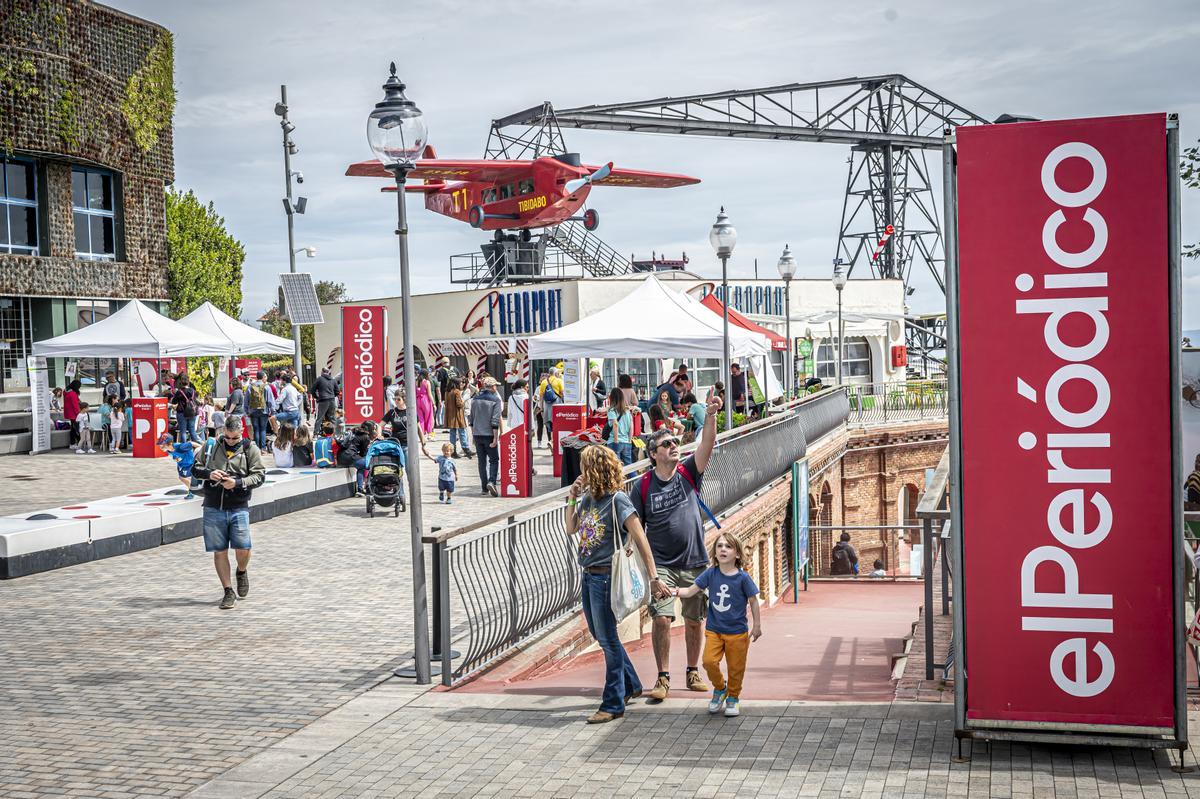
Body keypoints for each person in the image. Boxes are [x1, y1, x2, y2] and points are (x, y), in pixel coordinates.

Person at [632, 393, 723, 703]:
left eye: (675, 442)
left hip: (695, 561)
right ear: (653, 454)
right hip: (663, 567)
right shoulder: (642, 486)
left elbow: (706, 446)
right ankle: (662, 677)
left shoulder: (687, 473)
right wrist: (646, 567)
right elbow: (635, 529)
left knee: (695, 620)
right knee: (661, 618)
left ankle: (692, 670)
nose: (674, 446)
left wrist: (710, 417)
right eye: (667, 444)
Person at [565, 445, 660, 724]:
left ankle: (613, 702)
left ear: (594, 469)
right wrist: (572, 497)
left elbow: (641, 539)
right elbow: (571, 529)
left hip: (607, 576)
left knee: (607, 639)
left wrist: (653, 578)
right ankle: (630, 683)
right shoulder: (589, 499)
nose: (580, 473)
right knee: (601, 634)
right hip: (588, 574)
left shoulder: (618, 500)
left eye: (584, 467)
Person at [672, 531, 762, 718]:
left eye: (728, 546)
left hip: (737, 632)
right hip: (714, 630)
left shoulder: (743, 578)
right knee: (708, 662)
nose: (723, 549)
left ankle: (733, 698)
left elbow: (753, 600)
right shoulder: (710, 574)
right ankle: (720, 688)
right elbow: (690, 591)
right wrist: (671, 592)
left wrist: (757, 626)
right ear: (714, 552)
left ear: (737, 554)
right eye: (719, 546)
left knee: (736, 668)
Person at [191, 416, 267, 610]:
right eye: (228, 437)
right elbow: (195, 468)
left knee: (243, 547)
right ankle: (228, 591)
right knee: (220, 550)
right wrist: (210, 474)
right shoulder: (211, 446)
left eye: (234, 438)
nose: (231, 441)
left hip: (238, 505)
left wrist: (238, 483)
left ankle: (241, 571)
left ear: (241, 432)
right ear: (223, 432)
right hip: (213, 504)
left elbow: (259, 476)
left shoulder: (250, 449)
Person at [469, 376, 502, 496]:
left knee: (481, 462)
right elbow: (495, 420)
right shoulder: (495, 400)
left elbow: (471, 419)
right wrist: (495, 437)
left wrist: (473, 436)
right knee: (493, 460)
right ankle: (492, 481)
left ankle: (484, 487)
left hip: (477, 434)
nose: (496, 387)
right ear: (492, 387)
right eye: (495, 385)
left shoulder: (475, 399)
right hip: (489, 434)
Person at [158, 432, 201, 499]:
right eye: (160, 445)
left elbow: (191, 443)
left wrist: (203, 447)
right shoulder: (169, 450)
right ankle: (194, 488)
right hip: (182, 465)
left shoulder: (180, 447)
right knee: (184, 478)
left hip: (190, 464)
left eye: (162, 445)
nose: (160, 447)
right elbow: (177, 456)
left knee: (183, 478)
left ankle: (192, 491)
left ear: (169, 444)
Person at [444, 377, 472, 458]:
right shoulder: (457, 391)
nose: (460, 384)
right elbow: (459, 404)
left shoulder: (447, 392)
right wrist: (464, 401)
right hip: (457, 415)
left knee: (452, 433)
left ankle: (452, 451)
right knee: (462, 431)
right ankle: (466, 449)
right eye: (459, 383)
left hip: (450, 415)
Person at [606, 387, 634, 466]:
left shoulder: (612, 411)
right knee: (629, 467)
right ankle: (635, 478)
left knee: (615, 468)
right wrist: (629, 440)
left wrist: (616, 441)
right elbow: (631, 426)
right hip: (626, 442)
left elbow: (615, 424)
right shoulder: (627, 411)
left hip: (615, 442)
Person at [171, 374, 200, 444]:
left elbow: (174, 402)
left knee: (183, 431)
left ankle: (184, 448)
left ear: (181, 382)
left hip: (182, 413)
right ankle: (197, 446)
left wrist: (175, 395)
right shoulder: (192, 390)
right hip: (192, 412)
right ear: (188, 382)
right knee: (192, 431)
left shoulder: (179, 392)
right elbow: (195, 400)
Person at [247, 371, 270, 450]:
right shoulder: (266, 386)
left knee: (256, 429)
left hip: (253, 411)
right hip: (264, 410)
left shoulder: (250, 386)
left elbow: (246, 400)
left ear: (256, 377)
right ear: (263, 377)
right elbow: (270, 400)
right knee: (263, 429)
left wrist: (247, 411)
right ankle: (263, 448)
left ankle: (257, 448)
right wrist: (271, 410)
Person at [415, 371, 435, 436]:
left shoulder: (416, 382)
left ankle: (422, 432)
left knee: (420, 418)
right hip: (425, 400)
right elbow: (429, 394)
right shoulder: (427, 382)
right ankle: (430, 433)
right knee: (429, 417)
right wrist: (434, 403)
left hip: (417, 400)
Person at [64, 379, 81, 448]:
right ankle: (73, 443)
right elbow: (75, 405)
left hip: (68, 411)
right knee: (75, 429)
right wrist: (78, 413)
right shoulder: (73, 394)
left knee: (73, 428)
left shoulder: (66, 391)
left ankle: (73, 443)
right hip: (74, 413)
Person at [532, 372, 548, 447]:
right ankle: (539, 442)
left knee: (548, 426)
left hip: (547, 408)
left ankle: (550, 441)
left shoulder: (549, 387)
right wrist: (535, 397)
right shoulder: (538, 388)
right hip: (539, 409)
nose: (543, 381)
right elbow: (534, 398)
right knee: (540, 425)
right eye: (542, 379)